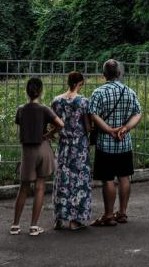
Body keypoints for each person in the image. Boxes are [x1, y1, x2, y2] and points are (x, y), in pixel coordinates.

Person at [89, 59, 142, 227]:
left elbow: (93, 115)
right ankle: (123, 212)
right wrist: (125, 128)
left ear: (104, 74)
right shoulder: (129, 91)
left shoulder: (98, 92)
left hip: (105, 143)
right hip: (124, 143)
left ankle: (109, 214)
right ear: (119, 73)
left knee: (108, 180)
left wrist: (108, 130)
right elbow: (138, 113)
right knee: (124, 177)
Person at [11, 77, 64, 237]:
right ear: (41, 91)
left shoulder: (21, 109)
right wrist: (48, 134)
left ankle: (15, 225)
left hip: (27, 151)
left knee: (23, 188)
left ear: (26, 91)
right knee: (40, 187)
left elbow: (20, 123)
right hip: (43, 149)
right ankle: (34, 226)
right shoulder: (45, 109)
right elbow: (60, 124)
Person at [50, 71, 93, 231]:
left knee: (62, 180)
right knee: (79, 181)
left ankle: (59, 218)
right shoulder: (83, 102)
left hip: (63, 145)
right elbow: (88, 127)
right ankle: (75, 220)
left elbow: (54, 125)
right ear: (80, 83)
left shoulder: (56, 101)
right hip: (79, 146)